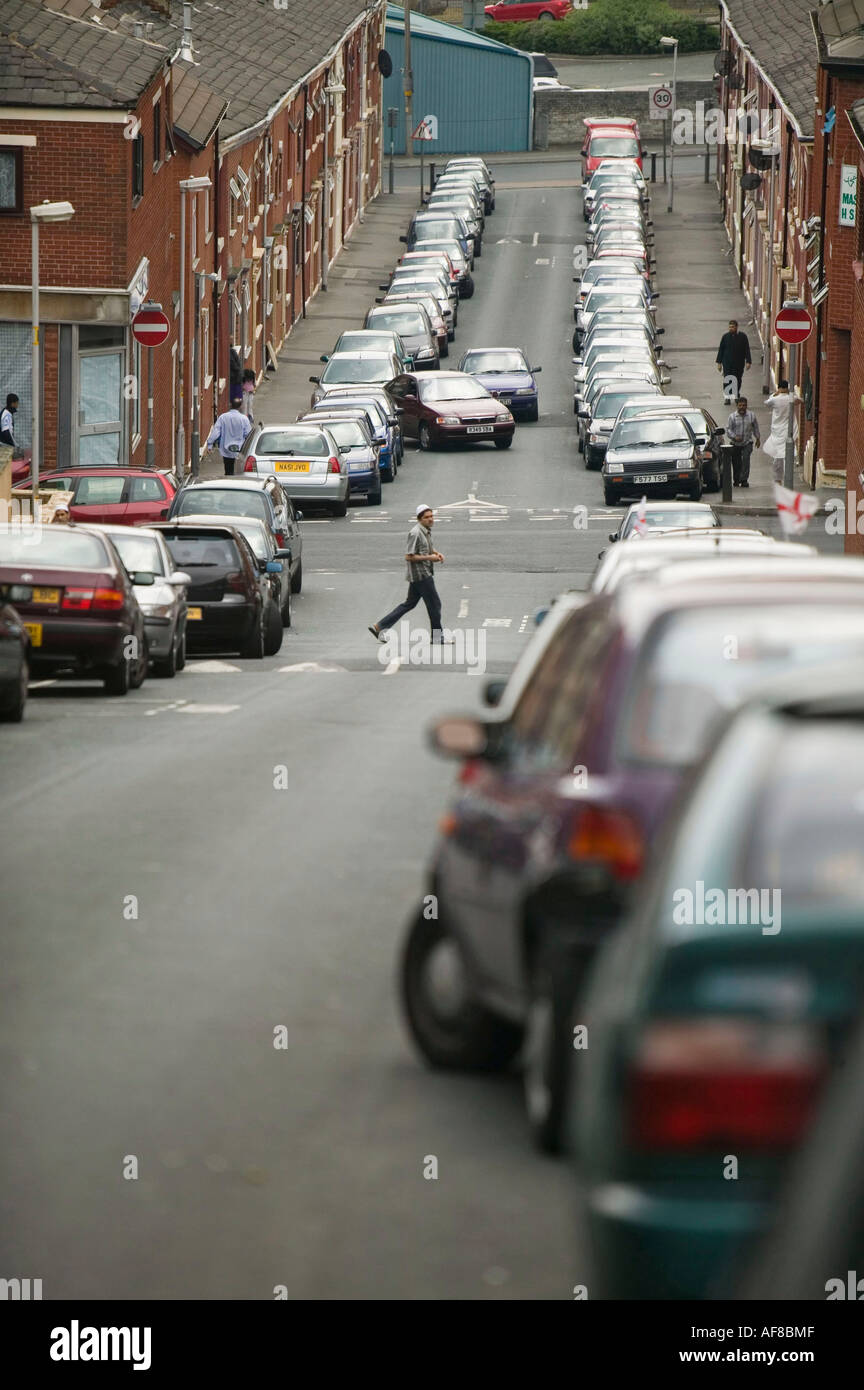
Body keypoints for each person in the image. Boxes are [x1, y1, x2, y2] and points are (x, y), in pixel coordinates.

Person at [368, 504, 452, 644]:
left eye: (431, 516)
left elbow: (426, 548)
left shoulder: (425, 531)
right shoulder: (415, 533)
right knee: (434, 605)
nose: (430, 519)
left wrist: (436, 553)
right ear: (419, 519)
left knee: (409, 604)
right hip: (421, 575)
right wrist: (430, 558)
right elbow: (409, 556)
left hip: (420, 574)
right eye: (427, 517)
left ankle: (380, 626)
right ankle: (437, 637)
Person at [205, 395, 252, 475]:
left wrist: (210, 444)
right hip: (239, 451)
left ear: (230, 405)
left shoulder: (223, 417)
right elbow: (248, 434)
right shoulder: (244, 419)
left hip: (226, 450)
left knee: (228, 470)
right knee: (239, 472)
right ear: (240, 407)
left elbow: (216, 432)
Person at [763, 380, 798, 485]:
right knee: (787, 455)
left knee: (777, 455)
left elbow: (767, 403)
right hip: (787, 430)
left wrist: (775, 394)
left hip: (777, 430)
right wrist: (791, 394)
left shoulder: (774, 399)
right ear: (787, 388)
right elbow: (800, 400)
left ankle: (778, 479)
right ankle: (787, 477)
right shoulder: (791, 398)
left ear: (779, 387)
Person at [725, 396, 761, 487]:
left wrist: (758, 438)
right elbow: (728, 430)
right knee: (736, 462)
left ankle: (744, 480)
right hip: (735, 444)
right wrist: (734, 437)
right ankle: (736, 479)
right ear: (737, 406)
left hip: (747, 442)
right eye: (740, 405)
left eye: (744, 405)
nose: (742, 407)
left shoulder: (751, 415)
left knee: (746, 460)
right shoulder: (732, 417)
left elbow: (755, 427)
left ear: (746, 406)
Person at [715, 319, 752, 403]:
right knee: (728, 378)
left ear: (736, 327)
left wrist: (748, 361)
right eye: (730, 327)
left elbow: (747, 349)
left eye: (732, 327)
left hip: (739, 363)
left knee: (737, 379)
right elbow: (721, 349)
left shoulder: (743, 337)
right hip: (727, 362)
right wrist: (719, 363)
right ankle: (727, 397)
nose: (731, 328)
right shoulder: (725, 337)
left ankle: (736, 395)